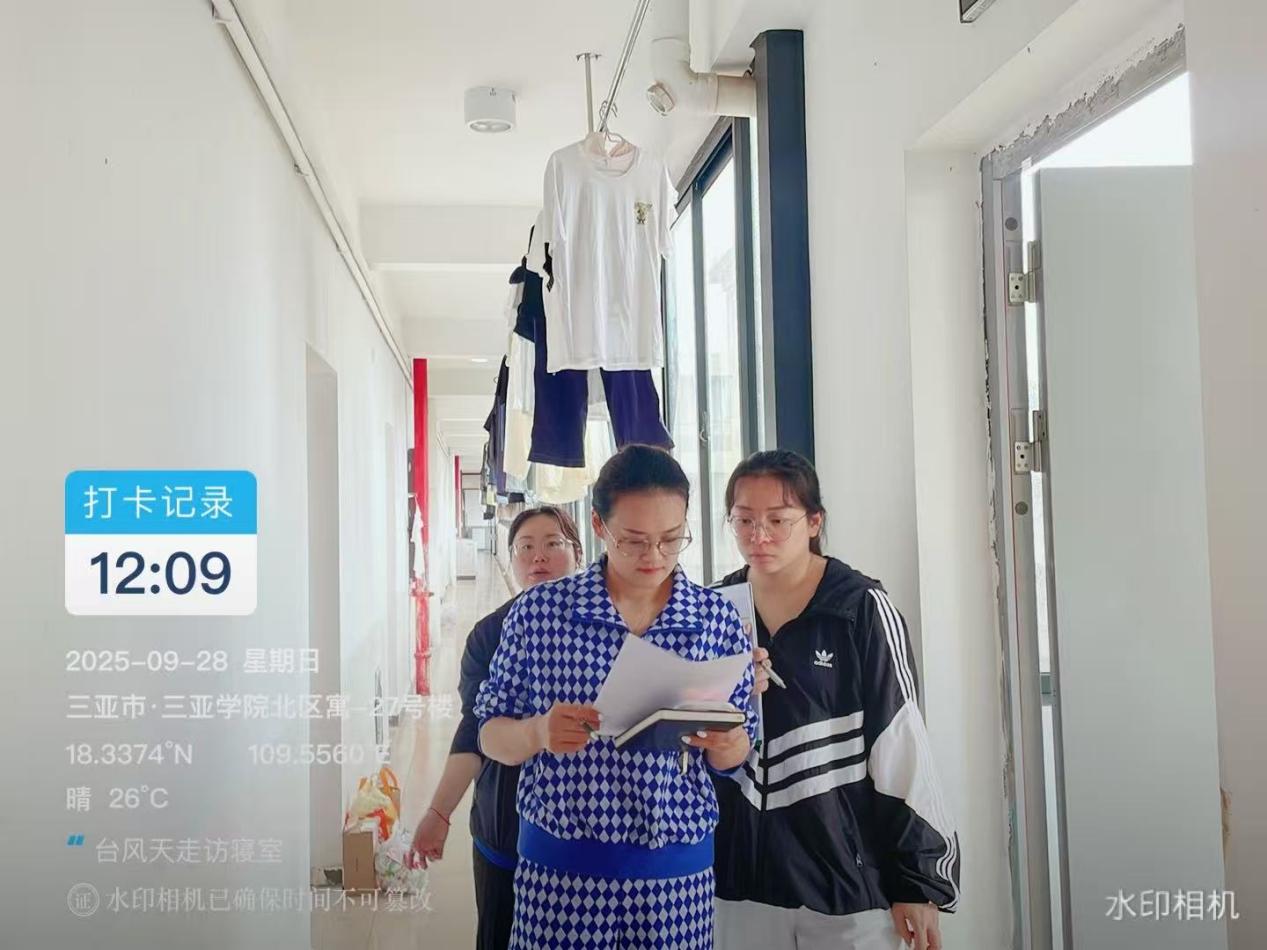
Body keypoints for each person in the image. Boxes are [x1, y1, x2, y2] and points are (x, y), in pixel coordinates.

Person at [475, 444, 761, 950]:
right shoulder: (541, 613)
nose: (654, 557)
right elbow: (490, 734)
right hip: (560, 876)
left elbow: (737, 752)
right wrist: (537, 732)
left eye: (671, 539)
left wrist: (726, 743)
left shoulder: (714, 619)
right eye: (633, 541)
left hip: (676, 880)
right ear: (599, 526)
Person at [713, 450, 960, 950]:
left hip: (848, 888)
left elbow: (901, 744)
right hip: (739, 883)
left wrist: (917, 881)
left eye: (778, 520)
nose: (759, 536)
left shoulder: (861, 608)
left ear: (814, 522)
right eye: (744, 520)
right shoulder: (714, 610)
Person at [406, 506, 584, 950]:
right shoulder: (490, 634)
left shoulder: (606, 627)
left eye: (552, 544)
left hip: (586, 833)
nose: (538, 556)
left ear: (578, 554)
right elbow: (475, 728)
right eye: (525, 547)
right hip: (506, 826)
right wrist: (439, 812)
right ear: (511, 559)